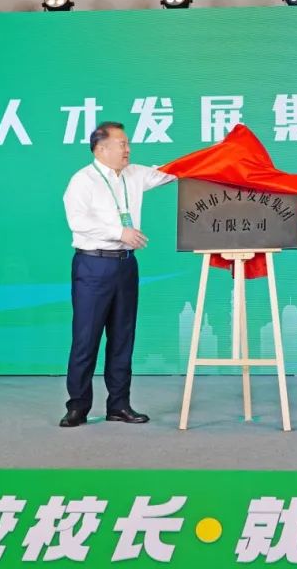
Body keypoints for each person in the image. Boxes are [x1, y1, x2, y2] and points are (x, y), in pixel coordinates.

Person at [60, 121, 174, 428]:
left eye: (127, 144)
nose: (128, 149)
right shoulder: (83, 180)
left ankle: (119, 405)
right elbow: (77, 221)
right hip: (93, 265)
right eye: (122, 144)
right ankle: (78, 406)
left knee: (123, 337)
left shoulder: (134, 174)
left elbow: (170, 173)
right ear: (101, 148)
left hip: (125, 265)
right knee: (86, 337)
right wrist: (119, 232)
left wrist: (213, 157)